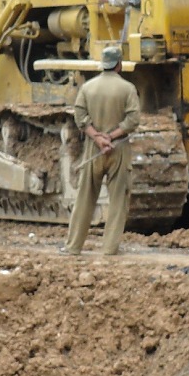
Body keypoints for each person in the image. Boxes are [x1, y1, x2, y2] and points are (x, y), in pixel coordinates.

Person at [62, 45, 141, 256]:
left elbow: (79, 117)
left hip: (92, 149)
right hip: (118, 148)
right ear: (119, 64)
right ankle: (109, 248)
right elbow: (133, 120)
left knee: (85, 198)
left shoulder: (88, 87)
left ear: (103, 64)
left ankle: (73, 246)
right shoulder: (127, 88)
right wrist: (111, 137)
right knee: (117, 201)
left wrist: (97, 138)